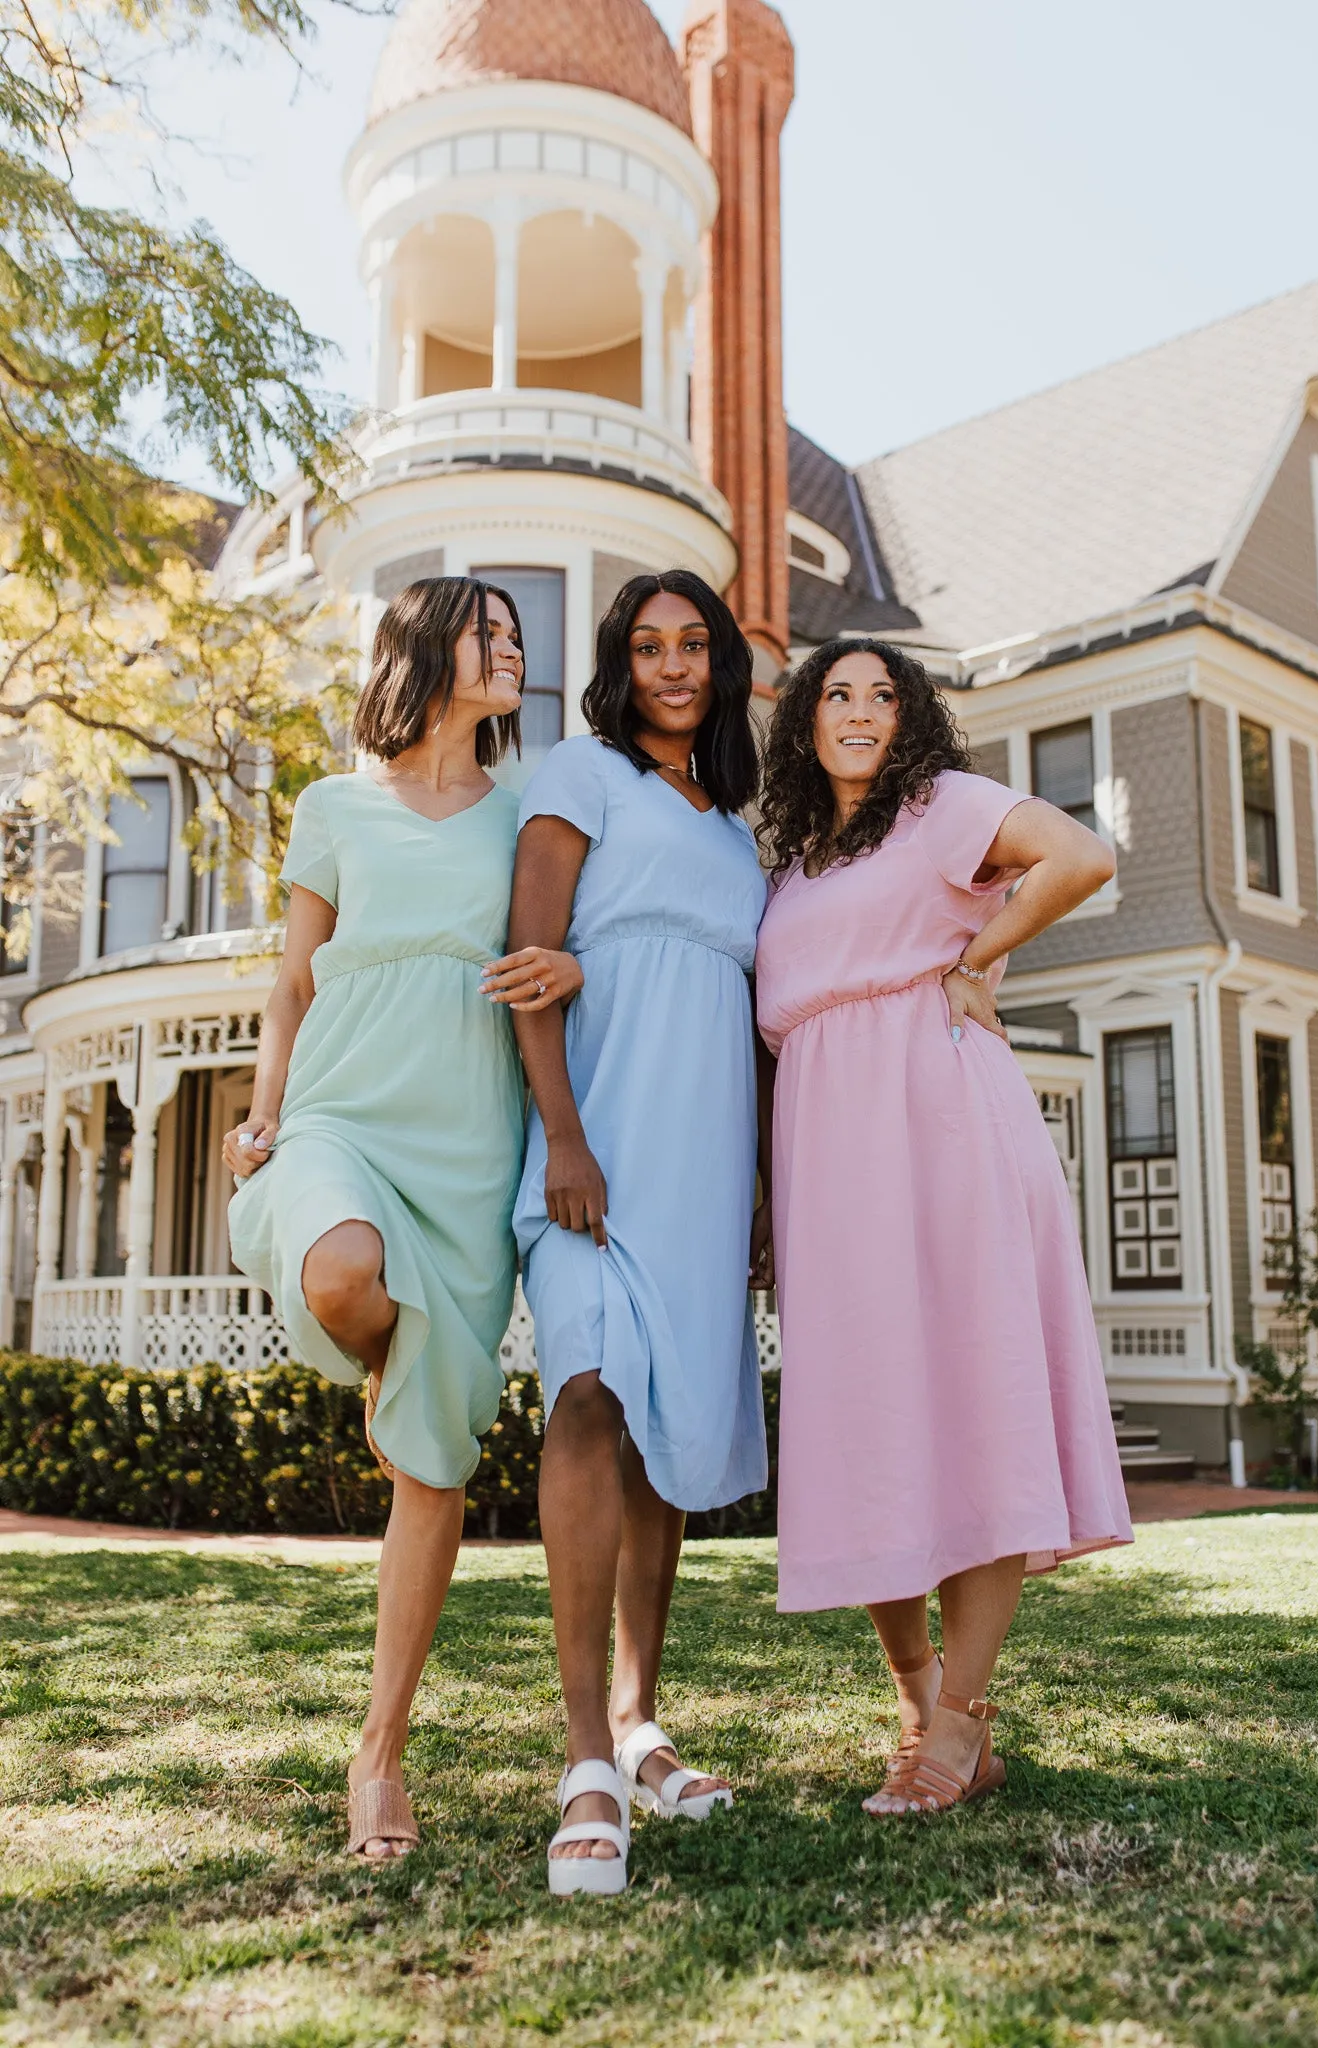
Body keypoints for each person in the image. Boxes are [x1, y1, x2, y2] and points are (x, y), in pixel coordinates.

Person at [224, 577, 581, 1860]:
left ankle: (380, 1756)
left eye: (515, 638)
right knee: (339, 1273)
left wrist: (573, 964)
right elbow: (288, 984)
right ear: (428, 648)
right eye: (489, 632)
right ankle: (390, 1363)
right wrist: (265, 1117)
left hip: (471, 1149)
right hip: (342, 1116)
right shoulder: (332, 805)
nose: (511, 650)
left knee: (432, 1467)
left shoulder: (529, 810)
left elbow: (570, 948)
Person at [755, 637, 1133, 1820]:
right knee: (867, 1425)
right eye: (836, 695)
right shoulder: (793, 863)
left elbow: (1081, 853)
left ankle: (961, 1725)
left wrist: (980, 953)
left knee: (971, 1415)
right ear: (806, 721)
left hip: (945, 1129)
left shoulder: (941, 805)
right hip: (830, 1165)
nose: (859, 711)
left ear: (908, 716)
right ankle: (923, 1704)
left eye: (882, 694)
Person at [509, 569, 770, 1896]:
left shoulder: (734, 823)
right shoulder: (583, 770)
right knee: (591, 1391)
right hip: (595, 1149)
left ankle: (641, 1719)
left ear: (721, 664)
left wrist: (768, 1194)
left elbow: (748, 1004)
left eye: (694, 645)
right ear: (622, 660)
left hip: (705, 1160)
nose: (672, 664)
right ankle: (582, 1760)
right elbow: (527, 961)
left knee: (664, 1440)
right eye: (647, 644)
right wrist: (562, 1137)